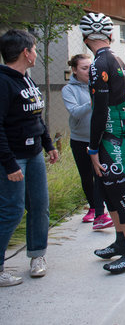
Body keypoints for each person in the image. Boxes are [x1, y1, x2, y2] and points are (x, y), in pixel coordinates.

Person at [80, 13, 125, 275]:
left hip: (111, 139)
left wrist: (93, 149)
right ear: (111, 36)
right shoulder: (117, 59)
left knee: (120, 195)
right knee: (109, 194)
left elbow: (100, 111)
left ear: (85, 39)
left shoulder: (99, 64)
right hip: (122, 135)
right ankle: (121, 242)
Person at [0, 30, 58, 287]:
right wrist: (9, 163)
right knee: (11, 211)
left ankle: (37, 256)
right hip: (13, 159)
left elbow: (36, 117)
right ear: (26, 52)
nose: (36, 53)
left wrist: (48, 145)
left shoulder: (27, 81)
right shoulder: (4, 82)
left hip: (33, 155)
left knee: (39, 207)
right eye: (34, 48)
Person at [62, 54, 111, 229]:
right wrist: (93, 100)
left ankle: (100, 213)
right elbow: (75, 112)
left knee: (99, 174)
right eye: (84, 68)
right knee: (86, 176)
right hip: (79, 139)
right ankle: (93, 207)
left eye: (90, 67)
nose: (89, 71)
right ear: (74, 70)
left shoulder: (98, 84)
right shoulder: (68, 90)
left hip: (97, 138)